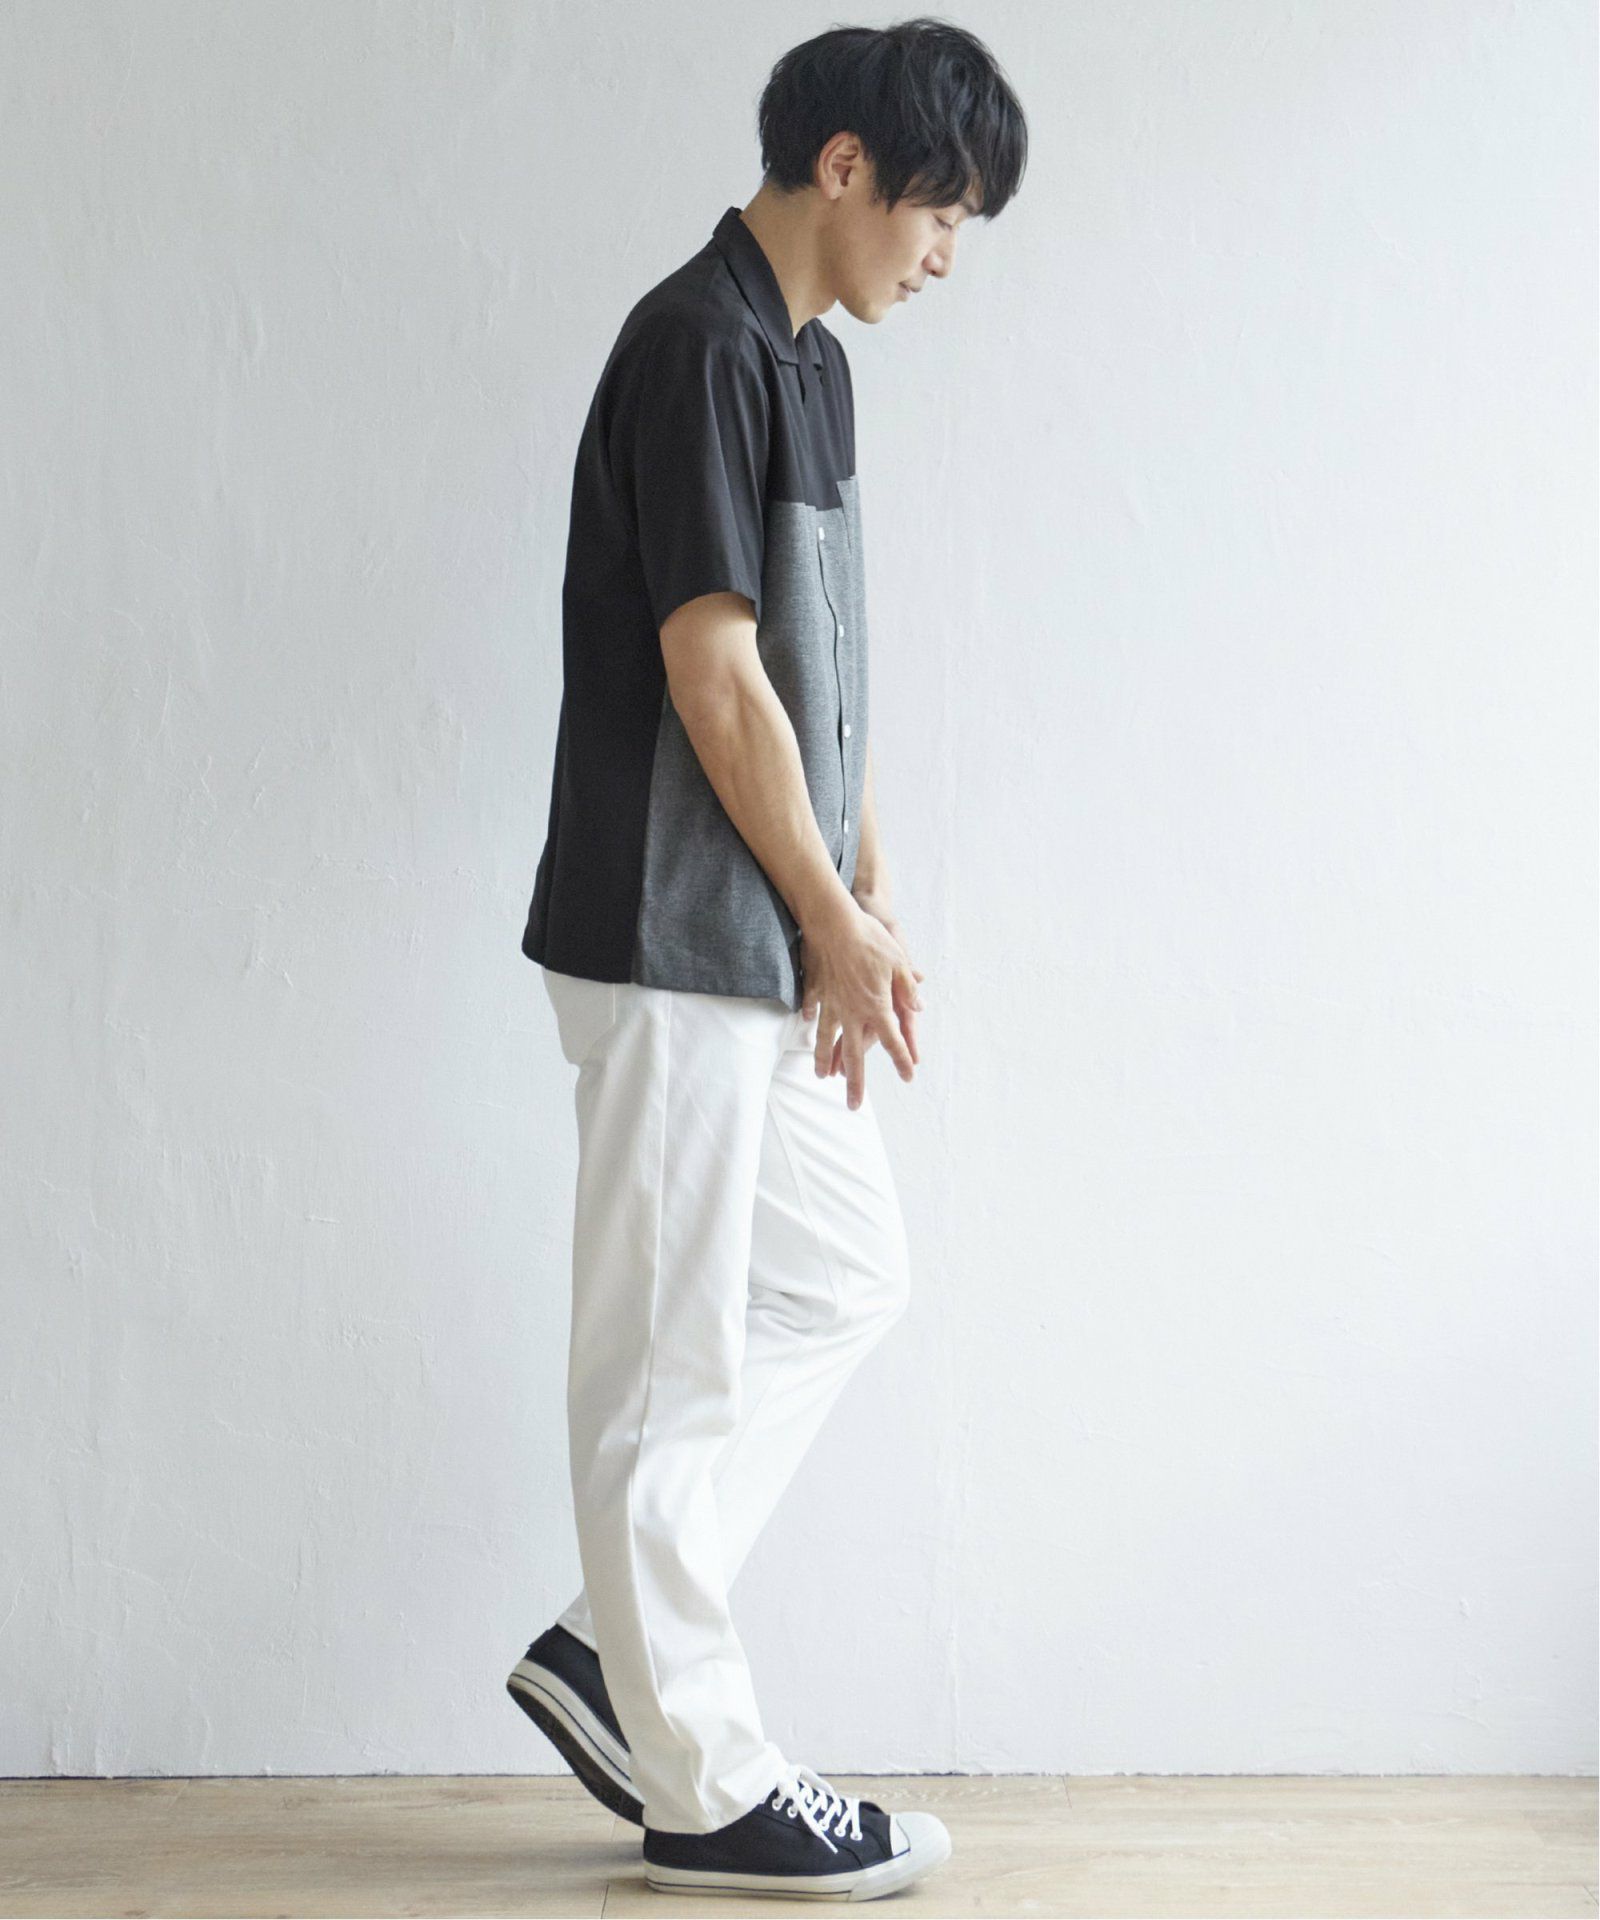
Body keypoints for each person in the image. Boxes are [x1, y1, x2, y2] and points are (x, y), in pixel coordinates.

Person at [507, 16, 1027, 1900]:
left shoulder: (813, 366)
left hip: (758, 935)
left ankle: (609, 1654)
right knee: (666, 1379)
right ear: (845, 165)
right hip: (669, 933)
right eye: (942, 211)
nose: (945, 254)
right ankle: (706, 1787)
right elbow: (714, 675)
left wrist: (857, 899)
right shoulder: (697, 347)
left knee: (844, 1272)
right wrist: (820, 912)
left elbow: (823, 664)